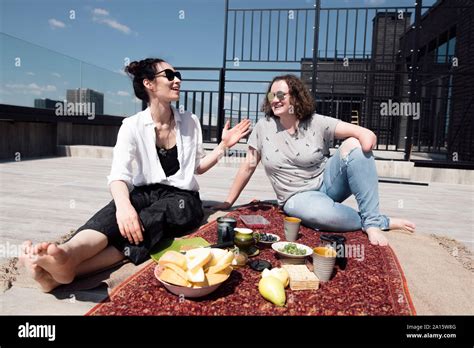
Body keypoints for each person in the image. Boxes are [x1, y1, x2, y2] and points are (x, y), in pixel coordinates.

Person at [19, 58, 251, 292]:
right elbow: (118, 175)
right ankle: (68, 253)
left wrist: (223, 146)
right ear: (149, 83)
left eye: (177, 74)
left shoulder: (190, 121)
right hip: (145, 191)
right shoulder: (131, 126)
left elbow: (197, 167)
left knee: (149, 220)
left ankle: (67, 272)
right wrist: (123, 206)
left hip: (184, 198)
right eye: (169, 75)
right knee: (116, 213)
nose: (177, 80)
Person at [214, 74, 415, 246]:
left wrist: (364, 140)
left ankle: (371, 223)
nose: (275, 99)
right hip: (296, 197)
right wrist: (228, 202)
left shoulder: (317, 122)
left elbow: (365, 135)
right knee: (322, 216)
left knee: (355, 145)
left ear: (296, 97)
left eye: (281, 95)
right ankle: (381, 220)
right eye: (271, 95)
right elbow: (248, 166)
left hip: (327, 185)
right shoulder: (263, 127)